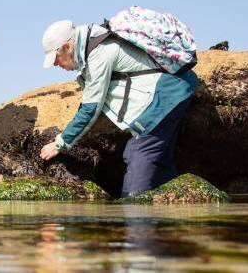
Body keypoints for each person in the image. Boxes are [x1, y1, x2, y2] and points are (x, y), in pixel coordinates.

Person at [37, 20, 198, 197]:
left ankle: (137, 218)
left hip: (164, 97)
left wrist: (60, 143)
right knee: (160, 164)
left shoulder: (99, 54)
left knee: (138, 154)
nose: (56, 65)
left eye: (55, 59)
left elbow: (91, 108)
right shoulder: (95, 45)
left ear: (67, 47)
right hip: (174, 92)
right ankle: (179, 211)